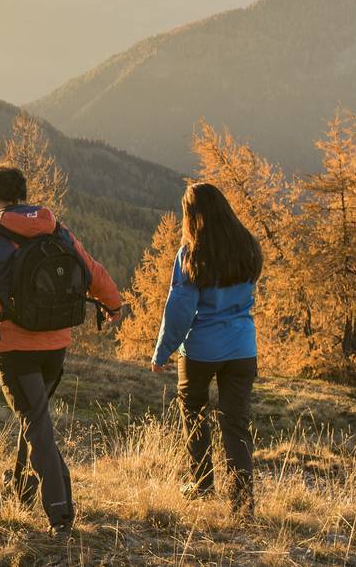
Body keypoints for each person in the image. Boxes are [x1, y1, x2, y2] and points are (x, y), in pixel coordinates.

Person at [0, 166, 125, 538]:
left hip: (15, 348)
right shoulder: (56, 229)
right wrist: (114, 304)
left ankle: (60, 514)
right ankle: (19, 486)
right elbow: (91, 269)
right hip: (56, 345)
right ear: (23, 196)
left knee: (37, 424)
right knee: (35, 416)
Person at [150, 182, 263, 517]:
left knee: (194, 411)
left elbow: (180, 310)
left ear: (192, 215)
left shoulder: (191, 254)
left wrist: (162, 352)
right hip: (243, 348)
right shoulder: (249, 247)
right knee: (236, 423)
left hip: (200, 351)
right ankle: (243, 505)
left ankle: (201, 483)